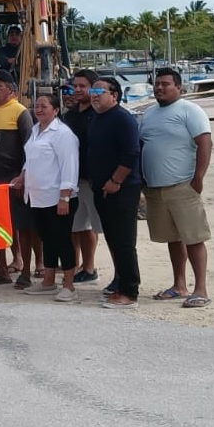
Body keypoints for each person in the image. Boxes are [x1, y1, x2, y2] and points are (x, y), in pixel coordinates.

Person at [140, 68, 212, 308]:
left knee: (193, 238)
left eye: (165, 84)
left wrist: (198, 177)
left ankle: (200, 288)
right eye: (157, 84)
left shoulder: (190, 110)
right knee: (173, 238)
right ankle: (179, 284)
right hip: (156, 188)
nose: (159, 88)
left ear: (178, 87)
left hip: (183, 185)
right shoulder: (148, 114)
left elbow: (204, 142)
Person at [11, 94, 80, 302]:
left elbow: (70, 166)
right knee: (46, 239)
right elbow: (30, 160)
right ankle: (48, 282)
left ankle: (69, 285)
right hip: (37, 196)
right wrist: (22, 176)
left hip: (57, 197)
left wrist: (65, 197)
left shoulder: (63, 134)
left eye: (44, 106)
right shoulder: (35, 130)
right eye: (36, 106)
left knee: (62, 240)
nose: (39, 110)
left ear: (56, 110)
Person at [87, 76, 141, 309]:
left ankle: (130, 292)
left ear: (115, 95)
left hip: (121, 189)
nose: (95, 95)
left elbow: (131, 153)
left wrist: (115, 181)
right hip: (102, 190)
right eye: (93, 91)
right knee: (113, 240)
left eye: (100, 90)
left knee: (124, 241)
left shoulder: (122, 118)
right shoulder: (97, 118)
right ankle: (120, 285)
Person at [0, 69, 35, 289]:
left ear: (11, 90)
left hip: (14, 179)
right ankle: (2, 270)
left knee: (21, 227)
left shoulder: (21, 112)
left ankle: (26, 271)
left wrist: (23, 175)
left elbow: (30, 149)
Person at [61, 69, 103, 283]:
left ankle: (90, 266)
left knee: (94, 226)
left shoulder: (100, 113)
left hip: (93, 179)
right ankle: (77, 267)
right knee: (76, 226)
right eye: (74, 86)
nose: (77, 90)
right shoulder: (69, 115)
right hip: (72, 179)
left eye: (82, 86)